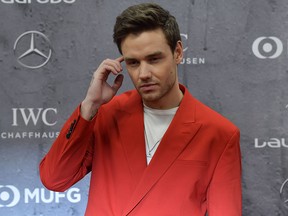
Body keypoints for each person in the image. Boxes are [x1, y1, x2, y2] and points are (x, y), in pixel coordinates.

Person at [39, 3, 242, 215]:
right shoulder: (106, 115)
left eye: (154, 59)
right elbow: (54, 179)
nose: (143, 73)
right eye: (133, 63)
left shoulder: (219, 134)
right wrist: (89, 106)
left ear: (178, 52)